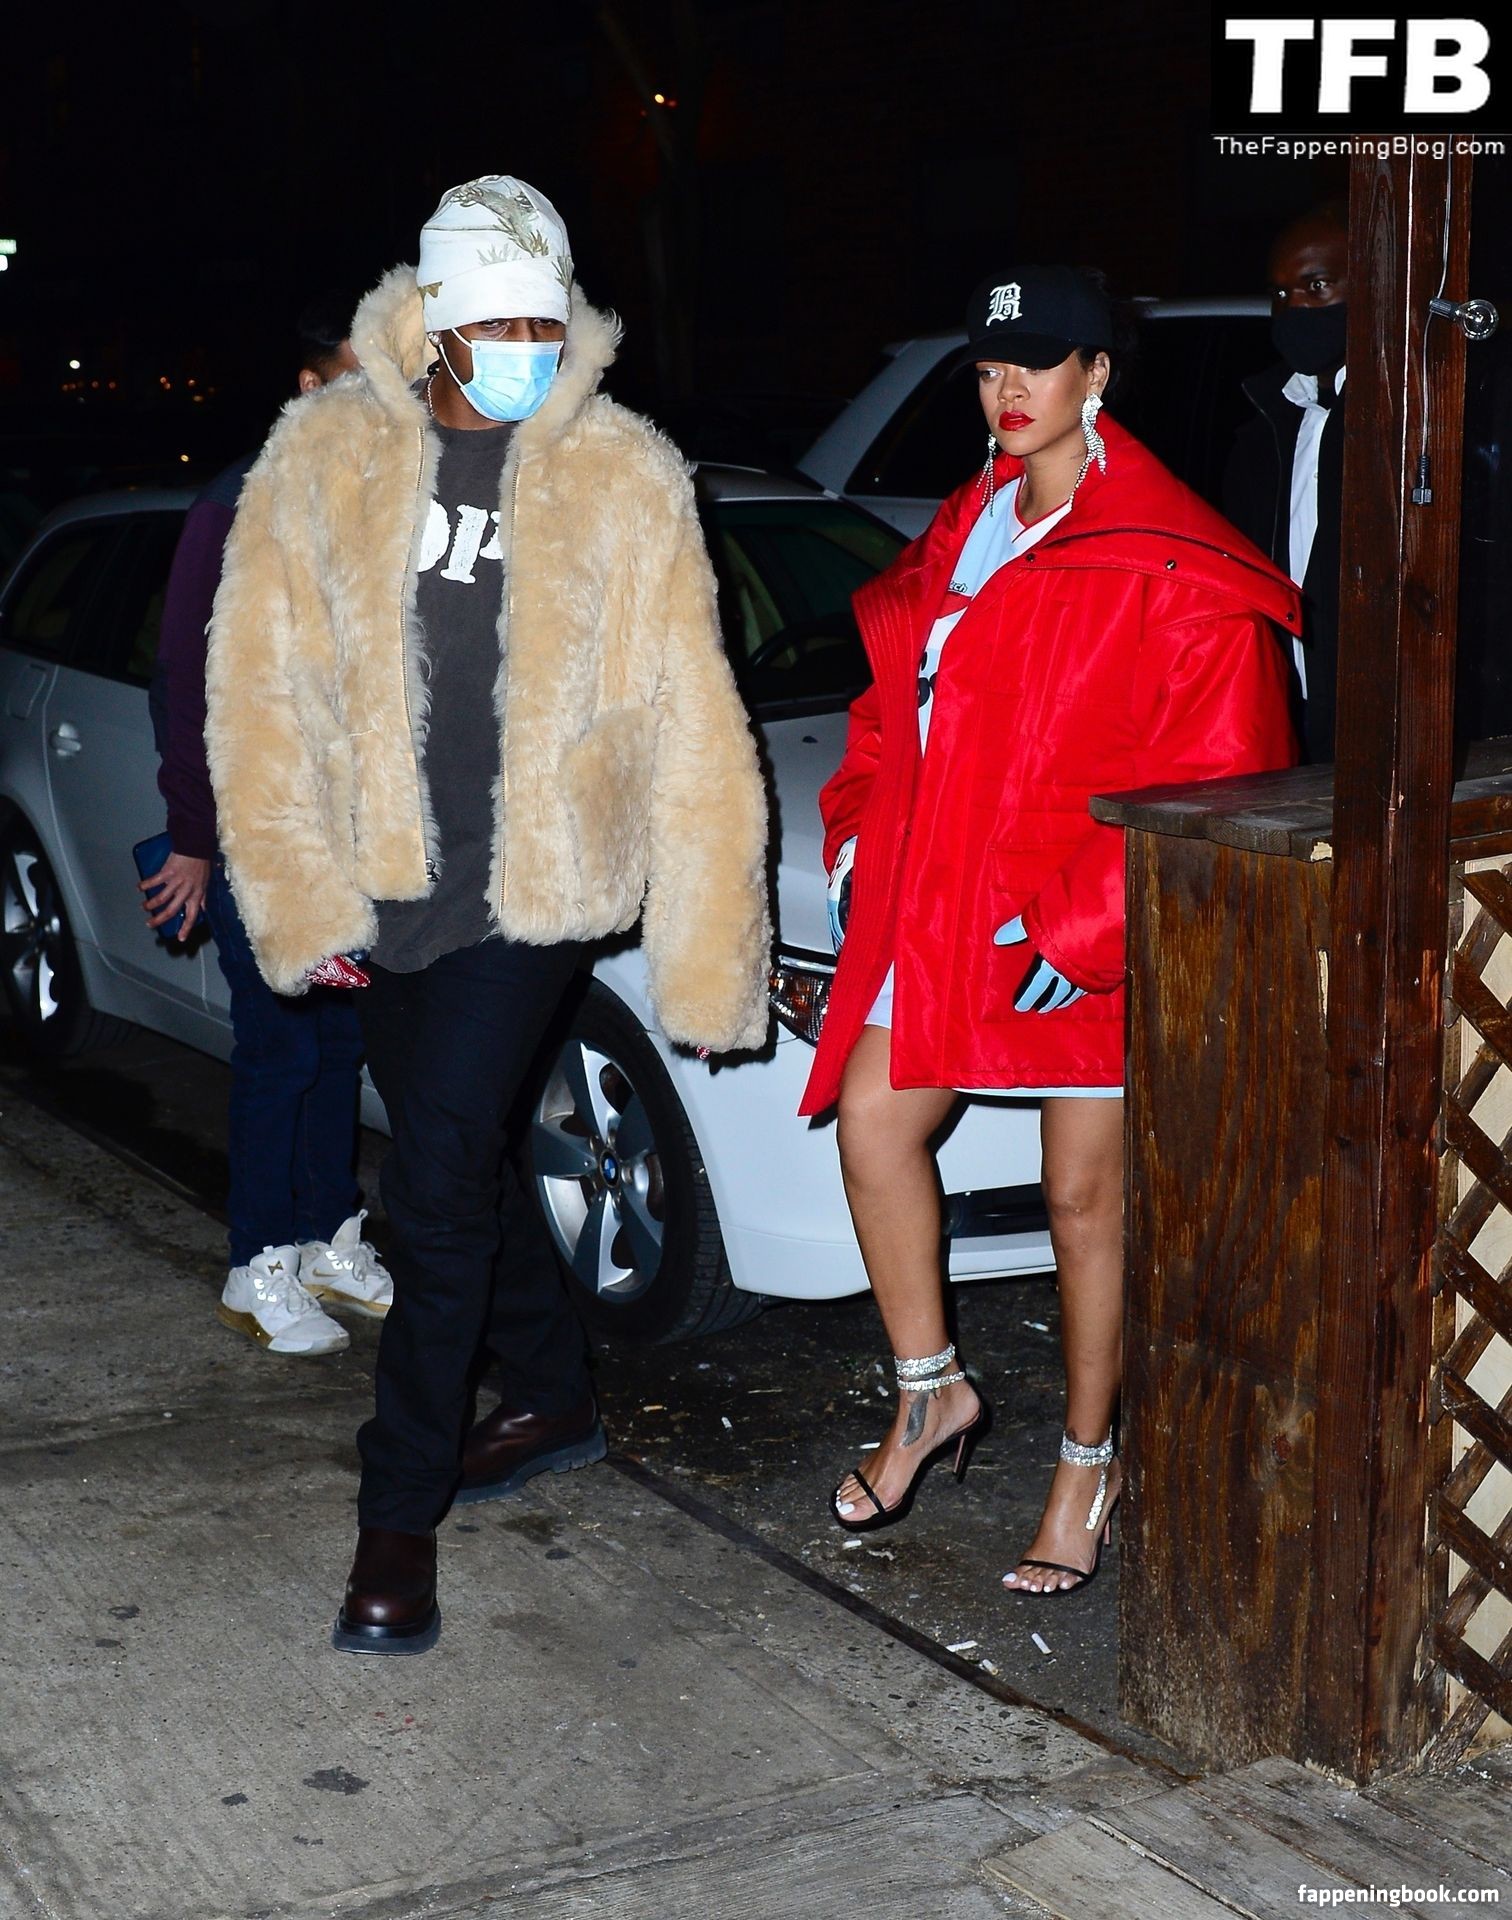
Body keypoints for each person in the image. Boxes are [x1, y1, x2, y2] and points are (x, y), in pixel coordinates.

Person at [205, 175, 770, 1655]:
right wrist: (296, 897)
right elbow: (257, 690)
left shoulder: (623, 471)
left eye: (548, 321)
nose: (529, 348)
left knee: (435, 1179)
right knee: (471, 1157)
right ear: (441, 320)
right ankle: (557, 1395)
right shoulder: (327, 454)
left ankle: (397, 1516)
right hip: (382, 882)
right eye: (502, 323)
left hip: (535, 889)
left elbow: (697, 714)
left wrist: (712, 952)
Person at [800, 265, 1299, 1595]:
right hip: (947, 901)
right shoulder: (967, 523)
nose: (1008, 389)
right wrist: (855, 839)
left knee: (1086, 1199)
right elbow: (890, 706)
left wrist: (1075, 927)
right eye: (988, 366)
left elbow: (1222, 776)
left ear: (1100, 373)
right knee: (873, 1122)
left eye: (1039, 361)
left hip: (1089, 919)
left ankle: (1089, 1462)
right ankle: (931, 1392)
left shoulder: (1172, 552)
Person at [146, 294, 391, 1360]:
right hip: (260, 831)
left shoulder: (372, 500)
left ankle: (329, 1236)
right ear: (310, 385)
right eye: (360, 377)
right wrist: (194, 835)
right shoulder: (236, 504)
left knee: (336, 1045)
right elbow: (183, 678)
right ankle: (257, 1264)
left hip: (347, 837)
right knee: (280, 1047)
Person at [1223, 201, 1348, 763]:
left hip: (1385, 729)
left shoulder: (1413, 421)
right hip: (1286, 724)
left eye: (1316, 286)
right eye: (1280, 294)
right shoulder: (1264, 428)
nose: (1294, 308)